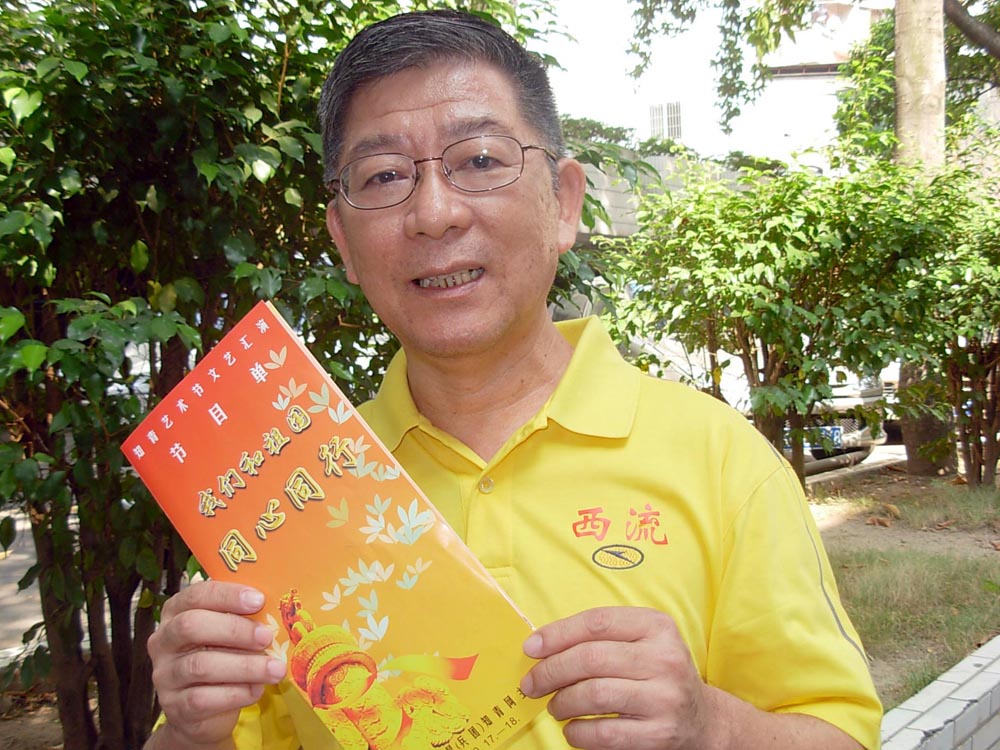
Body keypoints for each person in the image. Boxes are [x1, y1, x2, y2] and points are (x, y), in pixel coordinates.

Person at [143, 9, 882, 750]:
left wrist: (710, 725)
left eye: (479, 160)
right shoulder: (289, 495)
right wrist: (193, 731)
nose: (434, 214)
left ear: (564, 203)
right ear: (342, 239)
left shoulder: (719, 459)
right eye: (385, 176)